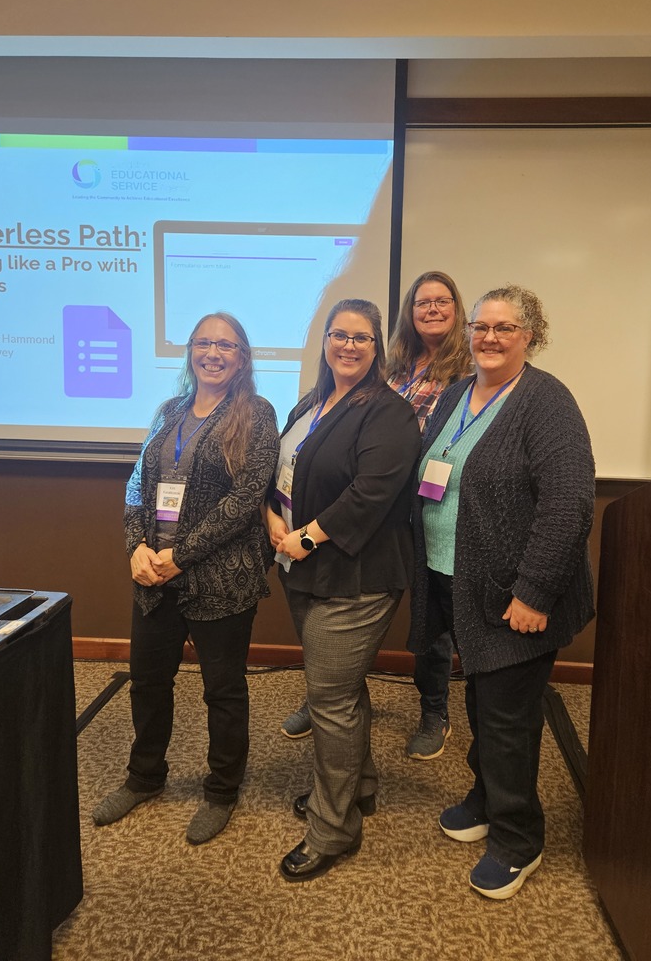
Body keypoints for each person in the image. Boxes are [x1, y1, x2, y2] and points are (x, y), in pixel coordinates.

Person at [409, 285, 595, 900]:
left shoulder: (547, 402)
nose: (489, 338)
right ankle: (486, 797)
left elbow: (568, 504)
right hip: (458, 584)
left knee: (509, 717)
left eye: (505, 328)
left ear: (530, 336)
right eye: (481, 326)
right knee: (483, 701)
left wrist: (536, 593)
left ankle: (519, 839)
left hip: (516, 596)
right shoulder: (460, 392)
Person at [92, 312, 279, 845]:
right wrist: (137, 549)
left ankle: (222, 789)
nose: (212, 353)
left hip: (222, 577)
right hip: (153, 575)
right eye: (203, 343)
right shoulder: (168, 410)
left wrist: (180, 555)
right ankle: (145, 776)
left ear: (242, 357)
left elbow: (246, 501)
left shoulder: (257, 414)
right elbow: (136, 485)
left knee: (222, 689)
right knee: (149, 681)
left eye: (225, 345)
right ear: (190, 351)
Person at [280, 271, 472, 761]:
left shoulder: (470, 369)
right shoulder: (395, 369)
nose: (431, 309)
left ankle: (434, 711)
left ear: (457, 309)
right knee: (336, 665)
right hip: (373, 506)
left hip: (432, 505)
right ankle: (329, 693)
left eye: (441, 301)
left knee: (433, 621)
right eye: (421, 302)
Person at [267, 298, 420, 881]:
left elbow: (371, 493)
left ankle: (333, 830)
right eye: (339, 335)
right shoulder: (310, 402)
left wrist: (307, 533)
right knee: (343, 691)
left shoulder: (389, 413)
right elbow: (282, 472)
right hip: (302, 566)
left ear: (377, 346)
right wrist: (272, 522)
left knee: (329, 702)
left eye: (361, 337)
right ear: (326, 342)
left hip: (357, 578)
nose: (348, 346)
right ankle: (361, 787)